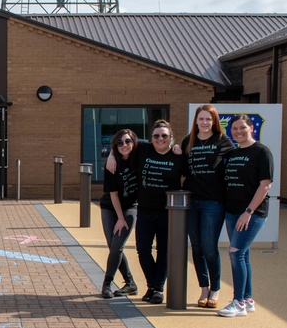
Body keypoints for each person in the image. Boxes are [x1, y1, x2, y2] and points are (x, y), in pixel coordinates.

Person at [217, 115, 274, 318]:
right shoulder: (232, 153)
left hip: (252, 213)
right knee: (243, 254)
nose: (238, 131)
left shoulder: (262, 152)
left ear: (251, 128)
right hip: (232, 211)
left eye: (242, 127)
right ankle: (248, 299)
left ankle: (238, 302)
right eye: (234, 128)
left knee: (235, 252)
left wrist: (248, 212)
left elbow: (265, 185)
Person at [181, 105, 235, 308]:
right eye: (201, 119)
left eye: (208, 119)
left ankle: (215, 289)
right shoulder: (188, 141)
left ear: (214, 121)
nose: (204, 122)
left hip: (213, 202)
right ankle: (203, 288)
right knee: (196, 246)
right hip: (192, 201)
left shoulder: (222, 141)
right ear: (196, 121)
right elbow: (182, 167)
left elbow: (237, 161)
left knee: (209, 247)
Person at [134, 120, 183, 304]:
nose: (160, 139)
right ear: (151, 137)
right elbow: (121, 145)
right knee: (143, 250)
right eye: (156, 135)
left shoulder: (178, 155)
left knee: (163, 251)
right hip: (145, 211)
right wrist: (113, 157)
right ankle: (152, 285)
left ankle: (158, 289)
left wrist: (178, 146)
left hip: (167, 213)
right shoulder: (143, 150)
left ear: (171, 137)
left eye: (164, 135)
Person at [99, 129, 139, 299]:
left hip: (130, 207)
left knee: (117, 246)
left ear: (134, 142)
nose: (124, 145)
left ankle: (106, 284)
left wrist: (175, 148)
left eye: (128, 141)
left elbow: (161, 145)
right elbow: (113, 194)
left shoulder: (140, 157)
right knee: (113, 246)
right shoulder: (112, 164)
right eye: (120, 143)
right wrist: (120, 219)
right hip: (109, 206)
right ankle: (130, 283)